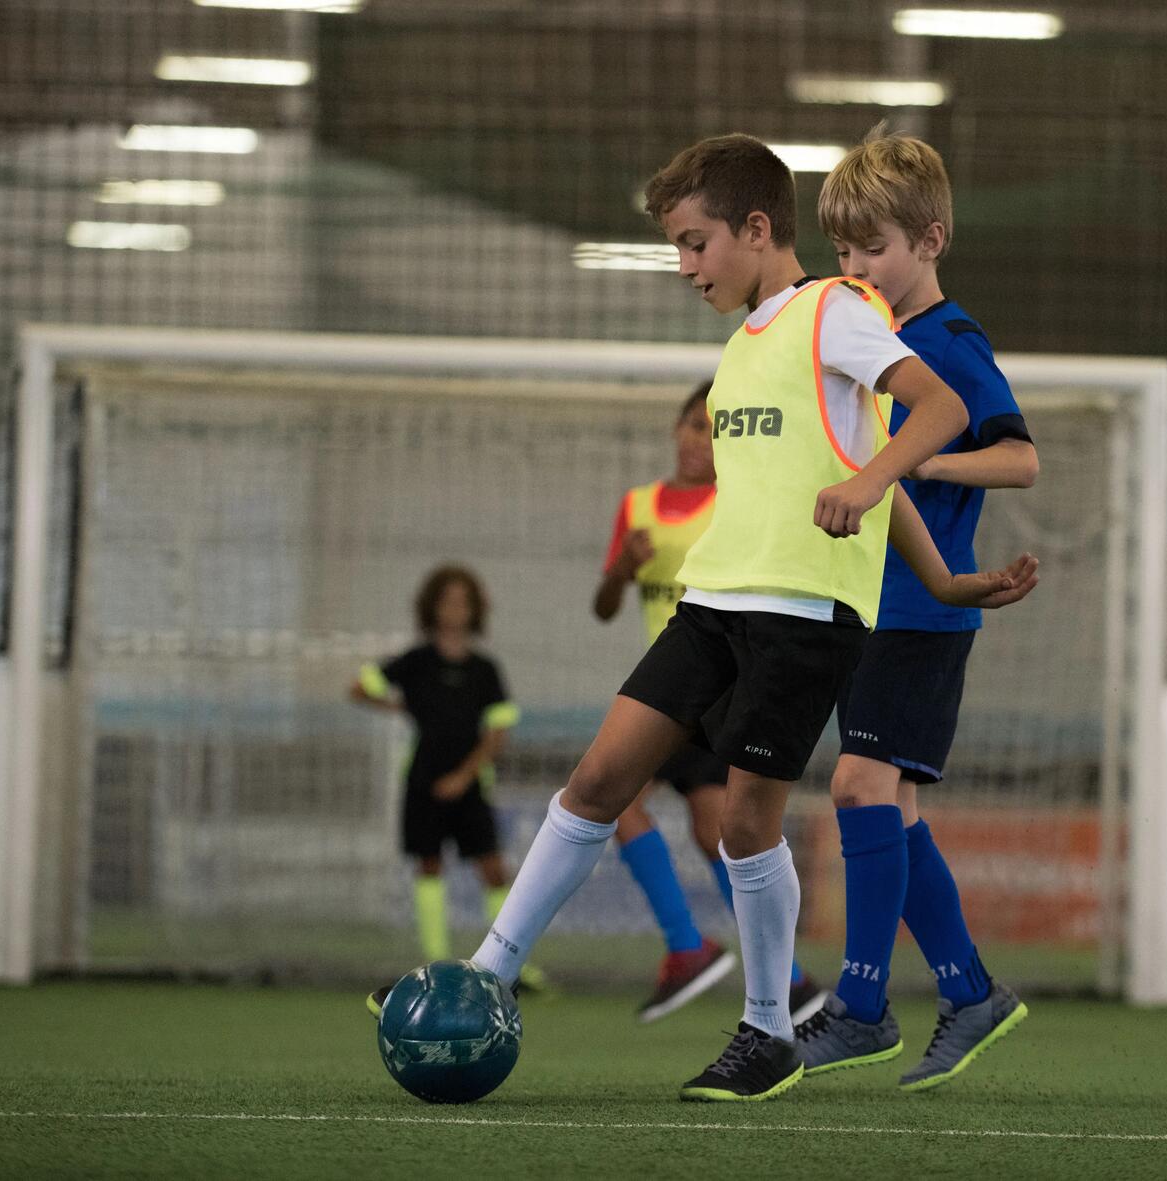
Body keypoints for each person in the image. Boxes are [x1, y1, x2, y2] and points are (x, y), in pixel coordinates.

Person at [382, 132, 1036, 1103]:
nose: (686, 267)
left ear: (756, 228)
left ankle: (768, 1030)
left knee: (743, 822)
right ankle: (487, 972)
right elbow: (839, 465)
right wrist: (940, 577)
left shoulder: (836, 312)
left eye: (695, 244)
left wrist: (872, 491)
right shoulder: (741, 352)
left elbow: (936, 411)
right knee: (599, 777)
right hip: (714, 603)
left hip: (806, 616)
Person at [793, 125, 1039, 1090]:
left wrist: (921, 457)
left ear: (931, 240)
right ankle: (971, 991)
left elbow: (1020, 456)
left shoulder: (950, 343)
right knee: (885, 805)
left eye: (876, 250)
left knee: (857, 790)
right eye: (845, 252)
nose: (857, 268)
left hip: (923, 616)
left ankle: (859, 1004)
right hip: (870, 606)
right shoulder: (871, 344)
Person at [593, 382, 821, 1025]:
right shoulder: (637, 507)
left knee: (641, 808)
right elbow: (606, 606)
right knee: (693, 824)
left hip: (717, 689)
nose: (701, 440)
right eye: (694, 425)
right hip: (666, 689)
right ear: (676, 429)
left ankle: (694, 950)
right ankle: (788, 979)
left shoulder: (737, 504)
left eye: (715, 430)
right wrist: (620, 570)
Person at [350, 565, 537, 993]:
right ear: (431, 608)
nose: (455, 610)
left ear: (476, 611)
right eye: (447, 601)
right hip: (423, 782)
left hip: (470, 784)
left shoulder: (485, 669)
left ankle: (511, 968)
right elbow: (361, 687)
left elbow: (498, 732)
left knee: (491, 868)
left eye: (463, 602)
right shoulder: (415, 661)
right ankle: (434, 966)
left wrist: (463, 776)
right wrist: (397, 707)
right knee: (428, 865)